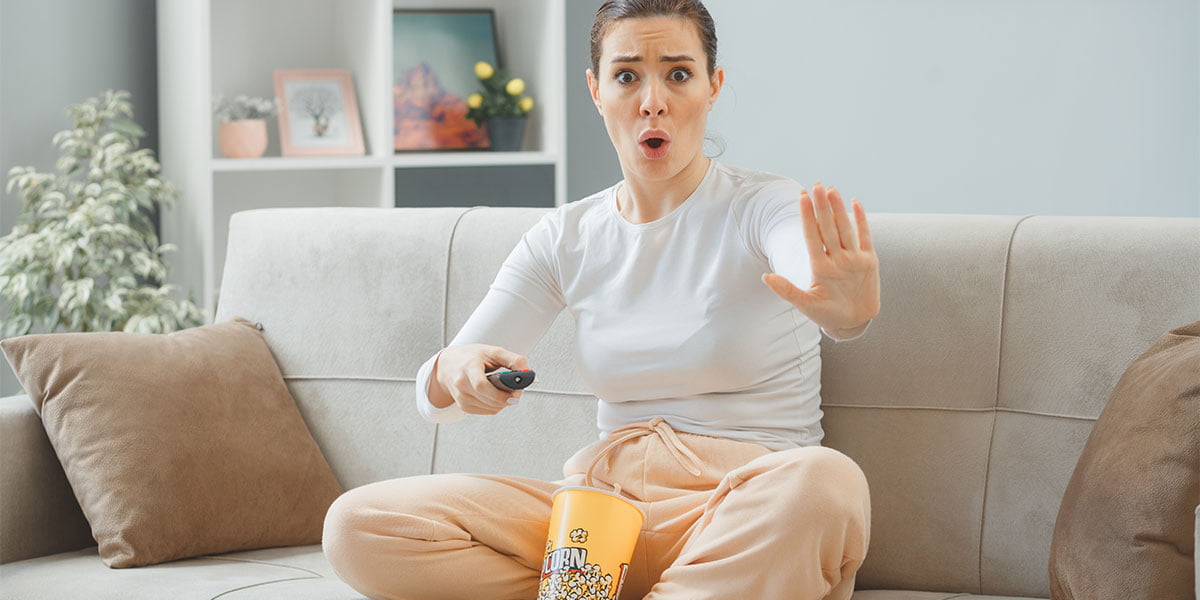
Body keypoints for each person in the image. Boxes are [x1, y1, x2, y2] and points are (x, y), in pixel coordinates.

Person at [322, 1, 880, 598]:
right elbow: (437, 396)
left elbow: (821, 284)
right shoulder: (566, 236)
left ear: (713, 86)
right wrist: (452, 370)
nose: (652, 101)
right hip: (595, 521)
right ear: (596, 89)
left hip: (741, 509)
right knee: (358, 524)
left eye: (679, 73)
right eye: (626, 75)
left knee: (826, 483)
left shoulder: (765, 207)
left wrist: (847, 311)